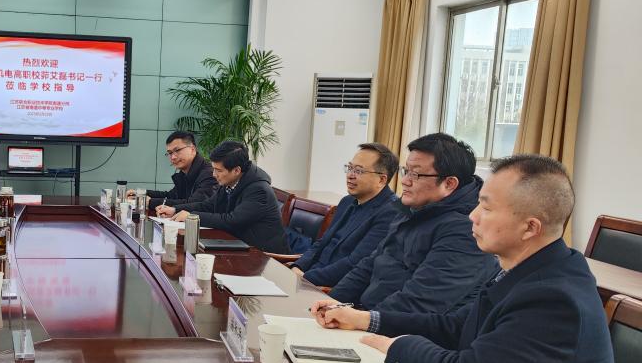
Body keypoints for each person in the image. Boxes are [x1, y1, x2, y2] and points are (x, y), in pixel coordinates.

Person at [312, 154, 615, 363]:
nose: (472, 215)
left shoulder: (555, 299)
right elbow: (455, 326)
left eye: (486, 207)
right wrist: (367, 320)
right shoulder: (527, 270)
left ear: (530, 227)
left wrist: (397, 346)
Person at [328, 133, 496, 314]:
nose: (404, 181)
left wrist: (362, 319)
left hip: (400, 326)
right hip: (369, 315)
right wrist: (332, 303)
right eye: (406, 171)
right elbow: (369, 264)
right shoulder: (412, 209)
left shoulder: (466, 231)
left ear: (449, 183)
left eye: (415, 174)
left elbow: (419, 302)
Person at [289, 143, 400, 287]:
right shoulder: (347, 201)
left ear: (381, 180)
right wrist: (298, 266)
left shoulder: (391, 212)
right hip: (308, 277)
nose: (350, 175)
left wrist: (305, 278)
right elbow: (322, 243)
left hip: (329, 288)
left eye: (359, 171)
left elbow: (355, 263)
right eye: (350, 168)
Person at [156, 140, 290, 254]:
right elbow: (208, 205)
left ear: (236, 170)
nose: (214, 174)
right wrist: (175, 210)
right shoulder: (231, 180)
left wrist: (191, 217)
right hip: (236, 246)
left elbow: (232, 220)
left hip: (263, 256)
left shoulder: (259, 190)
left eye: (218, 170)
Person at [143, 131, 217, 212]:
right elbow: (171, 196)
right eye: (170, 153)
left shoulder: (210, 173)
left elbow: (196, 203)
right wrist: (142, 193)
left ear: (192, 149)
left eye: (177, 150)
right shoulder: (184, 173)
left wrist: (151, 202)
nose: (173, 157)